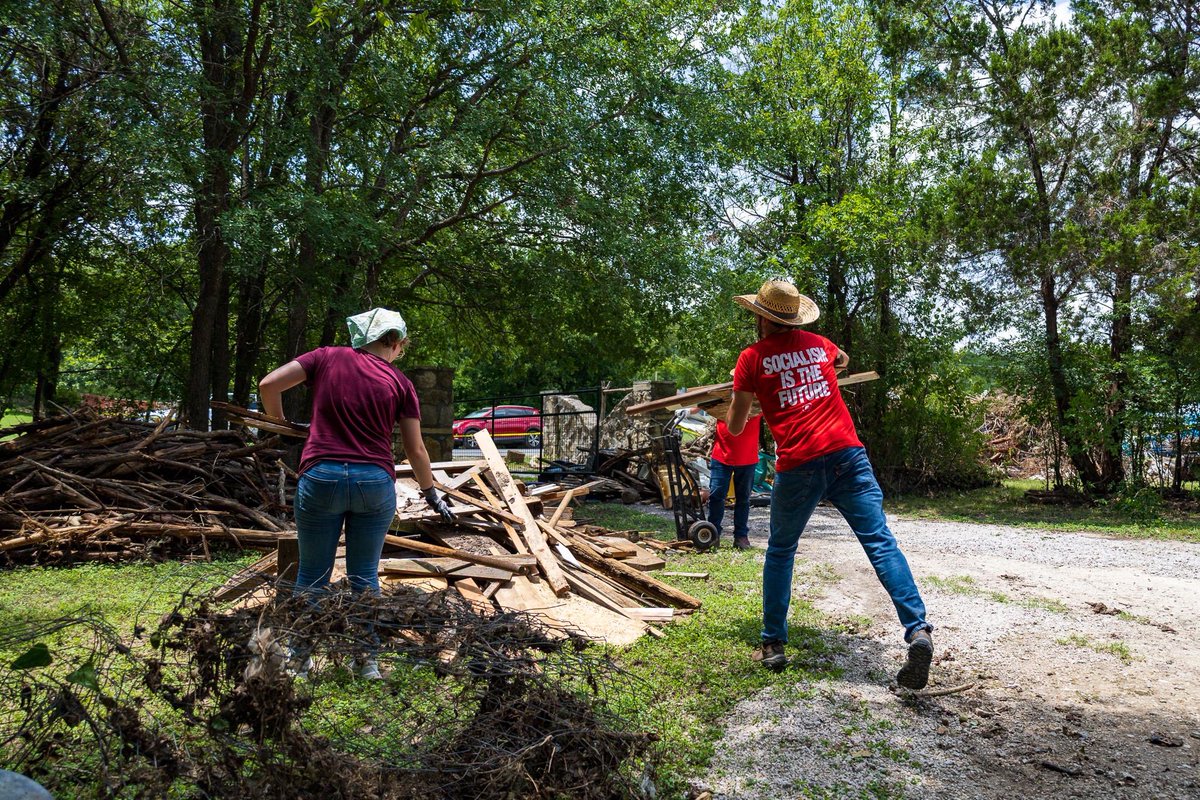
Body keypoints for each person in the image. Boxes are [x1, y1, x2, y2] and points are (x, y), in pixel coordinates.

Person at [725, 280, 934, 689]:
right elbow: (843, 357)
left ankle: (773, 644)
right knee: (879, 541)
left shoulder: (750, 358)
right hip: (847, 455)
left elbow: (734, 427)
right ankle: (918, 630)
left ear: (760, 317)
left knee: (782, 550)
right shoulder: (820, 344)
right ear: (792, 316)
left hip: (800, 464)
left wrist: (751, 407)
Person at [258, 307, 454, 679]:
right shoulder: (401, 384)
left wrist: (280, 426)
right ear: (394, 341)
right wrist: (431, 493)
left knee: (313, 573)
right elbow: (416, 450)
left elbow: (269, 385)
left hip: (322, 477)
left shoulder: (326, 357)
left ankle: (301, 659)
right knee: (365, 575)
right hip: (374, 483)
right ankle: (366, 663)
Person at [705, 409, 761, 551]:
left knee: (743, 499)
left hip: (747, 457)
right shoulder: (724, 400)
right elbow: (703, 402)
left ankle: (741, 536)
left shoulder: (756, 401)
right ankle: (713, 533)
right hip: (721, 456)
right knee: (716, 496)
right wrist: (687, 411)